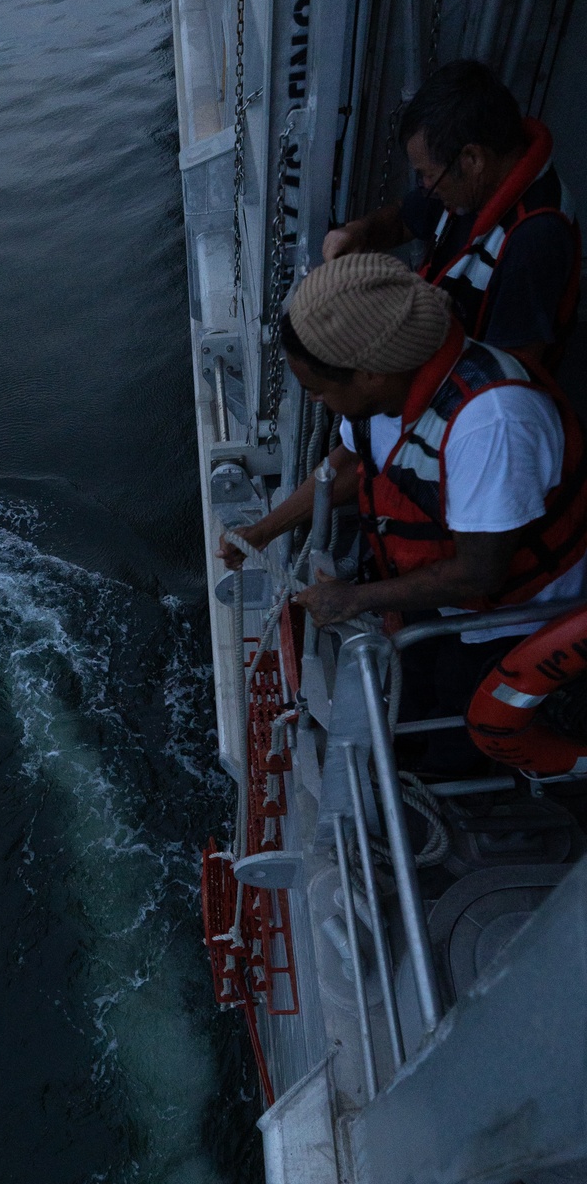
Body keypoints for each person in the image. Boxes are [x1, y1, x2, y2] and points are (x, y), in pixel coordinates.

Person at [219, 254, 587, 747]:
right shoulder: (388, 390)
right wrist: (262, 531)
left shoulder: (491, 424)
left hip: (514, 621)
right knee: (406, 702)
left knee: (444, 740)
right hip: (443, 604)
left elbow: (481, 572)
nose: (313, 401)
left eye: (318, 389)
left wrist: (353, 599)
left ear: (369, 373)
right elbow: (349, 463)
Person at [322, 62, 580, 364]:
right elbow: (404, 220)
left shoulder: (534, 239)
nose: (425, 187)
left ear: (472, 159)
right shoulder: (471, 180)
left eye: (428, 176)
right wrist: (360, 231)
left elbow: (510, 375)